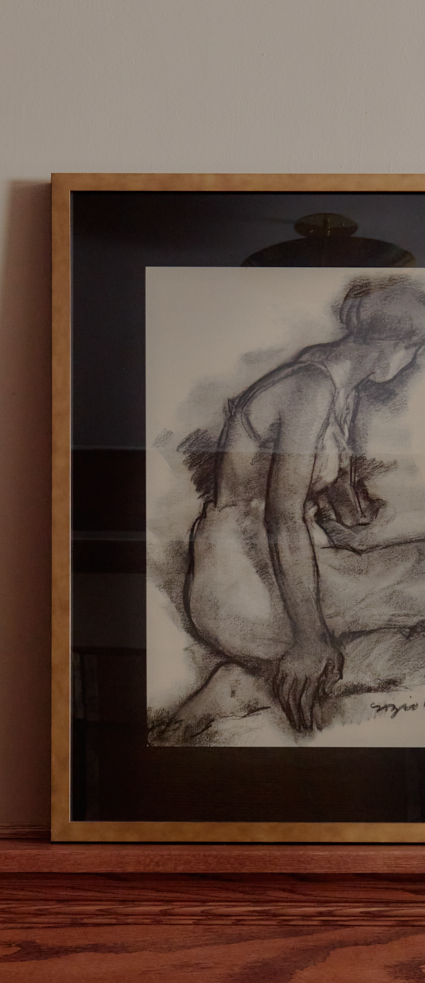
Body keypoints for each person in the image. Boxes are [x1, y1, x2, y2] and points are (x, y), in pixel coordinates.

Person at [169, 276, 425, 740]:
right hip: (240, 584)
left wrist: (364, 508)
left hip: (282, 565)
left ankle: (243, 684)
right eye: (417, 350)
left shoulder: (338, 385)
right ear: (396, 345)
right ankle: (248, 687)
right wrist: (309, 639)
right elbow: (281, 518)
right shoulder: (310, 387)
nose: (415, 363)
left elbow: (344, 509)